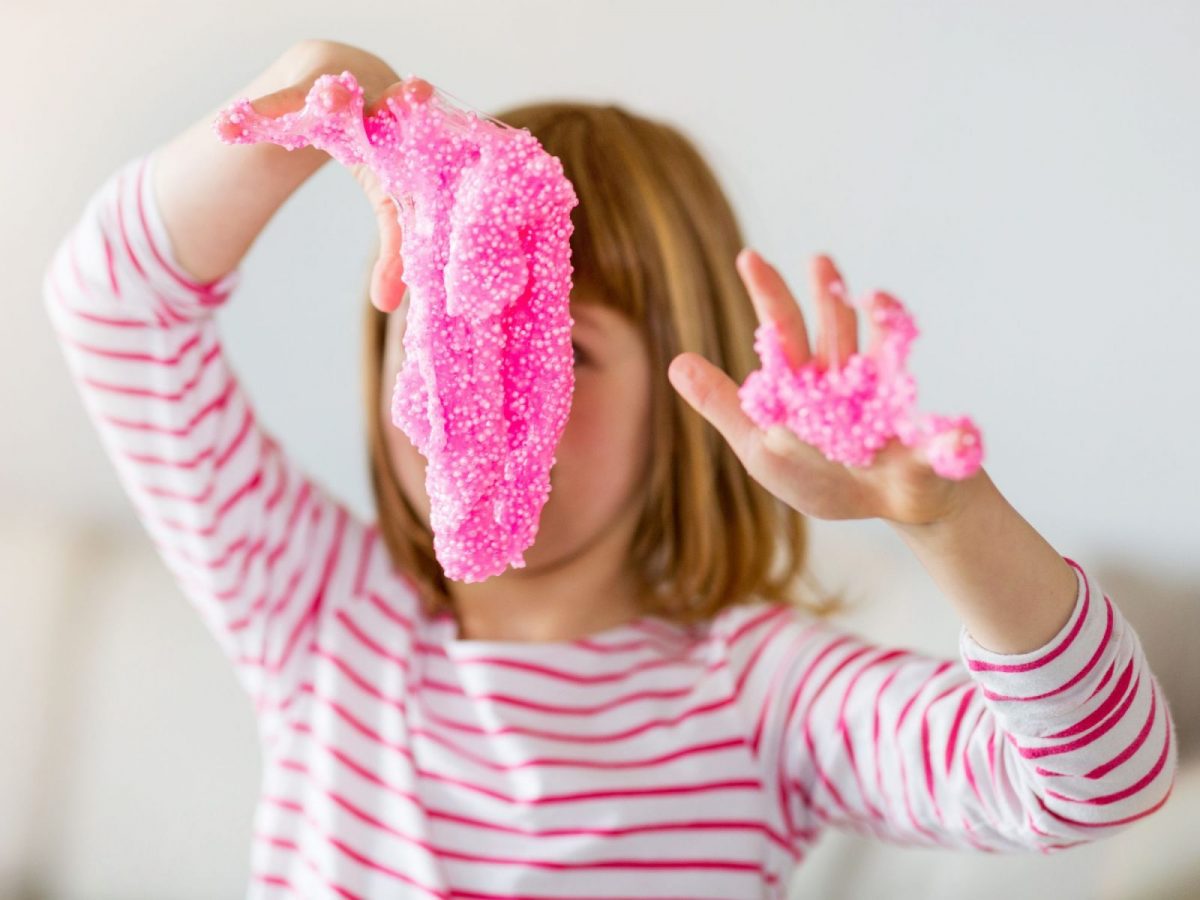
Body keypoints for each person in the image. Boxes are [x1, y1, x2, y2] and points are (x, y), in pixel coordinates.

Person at [42, 38, 1178, 899]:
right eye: (440, 321)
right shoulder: (325, 619)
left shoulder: (761, 700)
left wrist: (945, 517)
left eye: (562, 349)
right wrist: (315, 86)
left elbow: (1101, 781)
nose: (475, 382)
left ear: (686, 403)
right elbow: (112, 306)